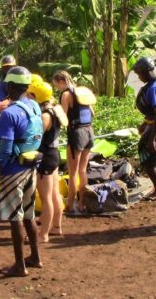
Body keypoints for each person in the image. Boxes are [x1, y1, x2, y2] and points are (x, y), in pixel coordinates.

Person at [0, 66, 43, 277]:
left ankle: (19, 265)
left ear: (10, 85)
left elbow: (5, 151)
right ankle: (35, 257)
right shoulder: (34, 106)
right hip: (30, 166)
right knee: (29, 214)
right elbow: (25, 135)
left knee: (14, 218)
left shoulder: (9, 113)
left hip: (12, 171)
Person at [27, 81, 64, 242]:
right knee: (55, 193)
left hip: (46, 157)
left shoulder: (45, 115)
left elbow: (36, 137)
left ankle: (43, 234)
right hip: (53, 153)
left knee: (45, 197)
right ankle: (56, 226)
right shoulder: (55, 108)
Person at [52, 70, 94, 213]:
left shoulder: (66, 94)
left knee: (73, 172)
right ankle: (82, 203)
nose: (58, 89)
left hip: (77, 133)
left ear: (61, 81)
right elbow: (92, 113)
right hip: (89, 131)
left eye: (57, 85)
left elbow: (63, 118)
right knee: (83, 171)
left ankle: (70, 204)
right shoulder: (82, 92)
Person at [133, 57, 156, 199]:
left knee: (147, 158)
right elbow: (151, 114)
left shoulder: (153, 88)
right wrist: (145, 123)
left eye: (140, 74)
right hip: (151, 124)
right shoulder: (151, 86)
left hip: (154, 128)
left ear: (148, 71)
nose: (139, 77)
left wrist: (151, 139)